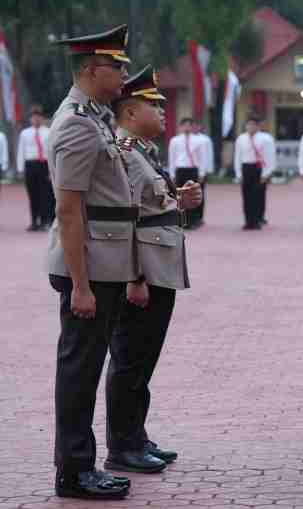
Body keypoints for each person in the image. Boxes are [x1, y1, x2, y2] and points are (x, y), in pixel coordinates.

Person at [47, 24, 134, 500]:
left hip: (103, 263)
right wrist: (80, 285)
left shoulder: (95, 117)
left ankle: (81, 463)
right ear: (89, 69)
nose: (123, 73)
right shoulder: (77, 123)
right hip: (89, 268)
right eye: (115, 66)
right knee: (80, 370)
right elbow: (68, 208)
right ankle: (74, 471)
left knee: (88, 366)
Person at [107, 65, 202, 474]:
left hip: (160, 268)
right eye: (154, 105)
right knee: (129, 359)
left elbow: (148, 207)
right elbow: (123, 221)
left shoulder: (143, 152)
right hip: (143, 274)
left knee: (144, 360)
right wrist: (134, 277)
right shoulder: (124, 155)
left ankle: (137, 435)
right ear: (130, 112)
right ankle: (122, 446)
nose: (163, 111)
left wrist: (178, 201)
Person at [234, 115, 276, 230]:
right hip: (246, 167)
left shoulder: (266, 138)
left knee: (257, 196)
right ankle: (248, 221)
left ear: (258, 126)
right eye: (248, 125)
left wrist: (267, 173)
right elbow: (238, 157)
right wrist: (238, 173)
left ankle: (257, 219)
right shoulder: (241, 139)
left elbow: (270, 156)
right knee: (246, 196)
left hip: (259, 168)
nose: (251, 127)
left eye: (253, 125)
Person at [17, 105, 55, 230]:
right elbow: (21, 151)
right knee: (32, 194)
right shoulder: (25, 133)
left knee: (45, 194)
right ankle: (34, 221)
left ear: (42, 118)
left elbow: (51, 152)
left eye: (38, 117)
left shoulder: (48, 132)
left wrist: (52, 169)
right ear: (30, 119)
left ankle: (45, 221)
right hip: (30, 164)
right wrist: (21, 169)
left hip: (44, 164)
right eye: (33, 117)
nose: (36, 119)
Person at [168, 117, 205, 229]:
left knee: (193, 195)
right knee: (180, 196)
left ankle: (193, 221)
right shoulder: (175, 140)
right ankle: (181, 220)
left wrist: (202, 172)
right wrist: (172, 174)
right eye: (185, 125)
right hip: (180, 169)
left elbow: (202, 157)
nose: (187, 128)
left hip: (193, 169)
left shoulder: (199, 141)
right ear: (180, 127)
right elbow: (172, 157)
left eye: (189, 125)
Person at [191, 120, 214, 226]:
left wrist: (207, 171)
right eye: (193, 126)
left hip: (200, 169)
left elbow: (208, 156)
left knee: (199, 194)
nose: (195, 128)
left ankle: (199, 216)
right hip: (189, 168)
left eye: (197, 125)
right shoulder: (186, 139)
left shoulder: (205, 140)